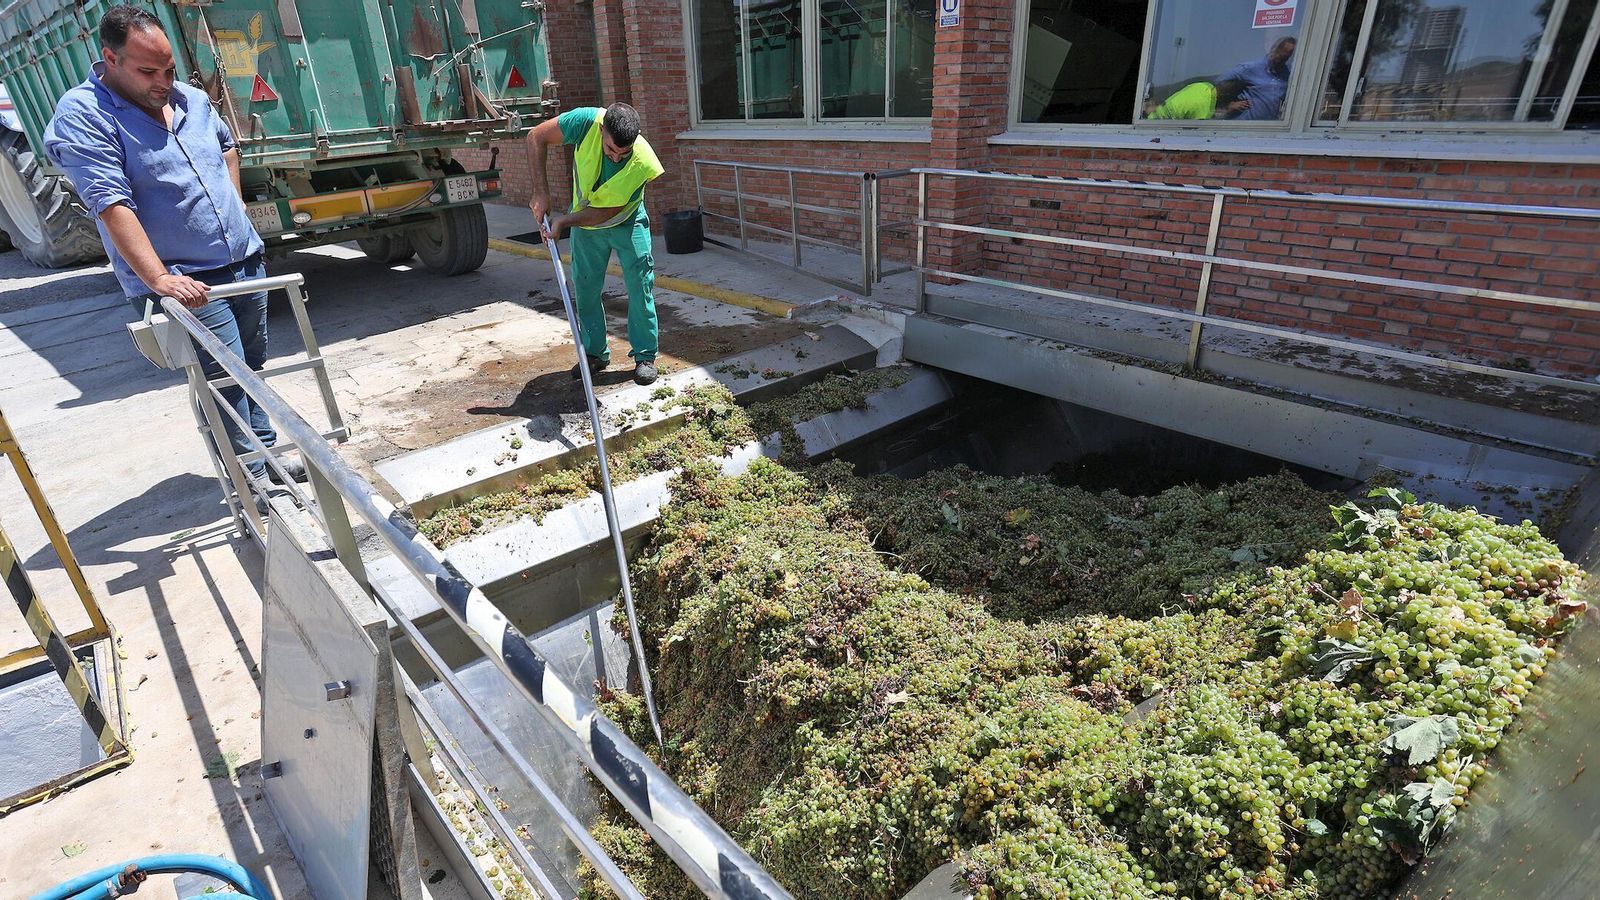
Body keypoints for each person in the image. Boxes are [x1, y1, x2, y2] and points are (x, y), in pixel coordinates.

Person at [44, 5, 296, 482]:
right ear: (110, 58)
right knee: (224, 379)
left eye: (168, 69)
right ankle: (252, 480)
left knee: (252, 368)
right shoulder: (84, 114)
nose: (162, 81)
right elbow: (110, 203)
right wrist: (160, 279)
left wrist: (236, 205)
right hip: (188, 279)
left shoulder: (190, 100)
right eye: (147, 71)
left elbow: (226, 145)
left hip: (243, 260)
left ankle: (267, 459)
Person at [526, 103, 665, 386]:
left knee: (640, 286)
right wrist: (541, 191)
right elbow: (535, 136)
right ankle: (594, 354)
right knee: (586, 288)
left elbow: (607, 211)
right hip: (586, 226)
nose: (616, 157)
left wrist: (564, 222)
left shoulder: (643, 162)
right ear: (602, 130)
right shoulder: (586, 122)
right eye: (611, 149)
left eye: (623, 153)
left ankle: (645, 356)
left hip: (625, 222)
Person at [1220, 36, 1297, 121]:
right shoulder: (1249, 68)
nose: (1278, 59)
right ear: (1273, 49)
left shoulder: (1288, 74)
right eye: (1278, 54)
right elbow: (1218, 84)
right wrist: (1229, 104)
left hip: (1269, 127)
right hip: (1243, 126)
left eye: (1284, 57)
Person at [1149, 78, 1250, 120]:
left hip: (1154, 116)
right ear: (1225, 97)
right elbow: (1203, 128)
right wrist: (1228, 109)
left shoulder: (1203, 85)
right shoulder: (1202, 109)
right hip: (1158, 125)